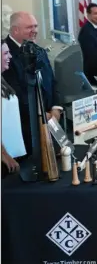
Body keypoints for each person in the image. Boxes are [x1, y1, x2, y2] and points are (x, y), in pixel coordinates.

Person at [2, 11, 61, 156]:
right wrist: (41, 114)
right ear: (15, 29)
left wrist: (55, 108)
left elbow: (52, 82)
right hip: (27, 133)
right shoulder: (5, 55)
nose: (34, 30)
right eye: (29, 27)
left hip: (51, 124)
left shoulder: (39, 50)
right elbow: (16, 94)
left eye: (36, 26)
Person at [1, 39, 27, 176]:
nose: (10, 56)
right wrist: (4, 154)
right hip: (5, 162)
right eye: (5, 53)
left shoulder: (2, 79)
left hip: (13, 155)